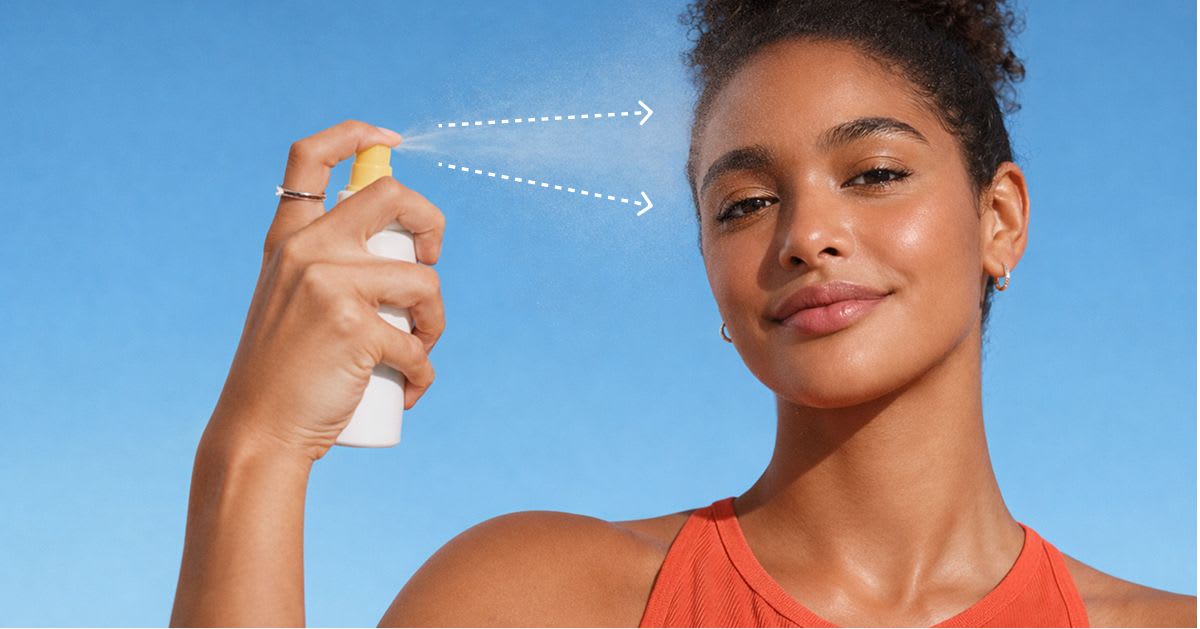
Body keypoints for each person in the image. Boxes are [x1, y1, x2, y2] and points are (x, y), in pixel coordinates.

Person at [169, 0, 1197, 626]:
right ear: (711, 268)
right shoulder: (535, 600)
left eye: (875, 172)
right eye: (744, 204)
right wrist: (255, 448)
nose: (807, 233)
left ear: (1000, 220)